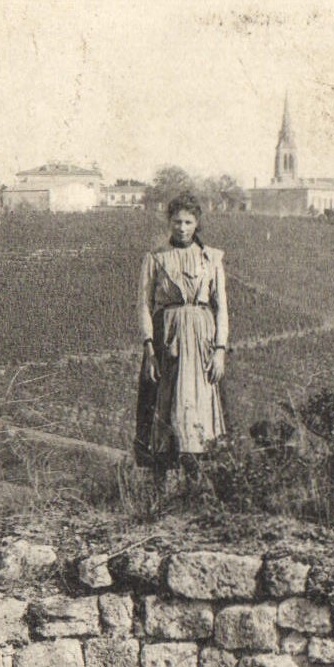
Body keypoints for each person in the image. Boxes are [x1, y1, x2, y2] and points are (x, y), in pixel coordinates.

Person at [133, 192, 229, 490]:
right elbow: (143, 305)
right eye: (177, 222)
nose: (182, 228)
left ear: (197, 223)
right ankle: (159, 487)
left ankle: (198, 485)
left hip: (202, 339)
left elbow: (222, 306)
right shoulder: (155, 257)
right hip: (168, 339)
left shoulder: (212, 258)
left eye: (188, 222)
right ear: (169, 222)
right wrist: (149, 348)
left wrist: (220, 350)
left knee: (199, 406)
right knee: (165, 405)